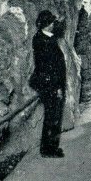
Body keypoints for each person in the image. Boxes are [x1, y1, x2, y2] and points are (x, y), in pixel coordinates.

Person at [29, 10, 67, 158]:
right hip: (51, 85)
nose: (53, 25)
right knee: (53, 117)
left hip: (49, 83)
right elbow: (49, 67)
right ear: (47, 25)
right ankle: (48, 149)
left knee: (52, 116)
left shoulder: (42, 38)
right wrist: (57, 87)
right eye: (51, 23)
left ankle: (50, 147)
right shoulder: (45, 41)